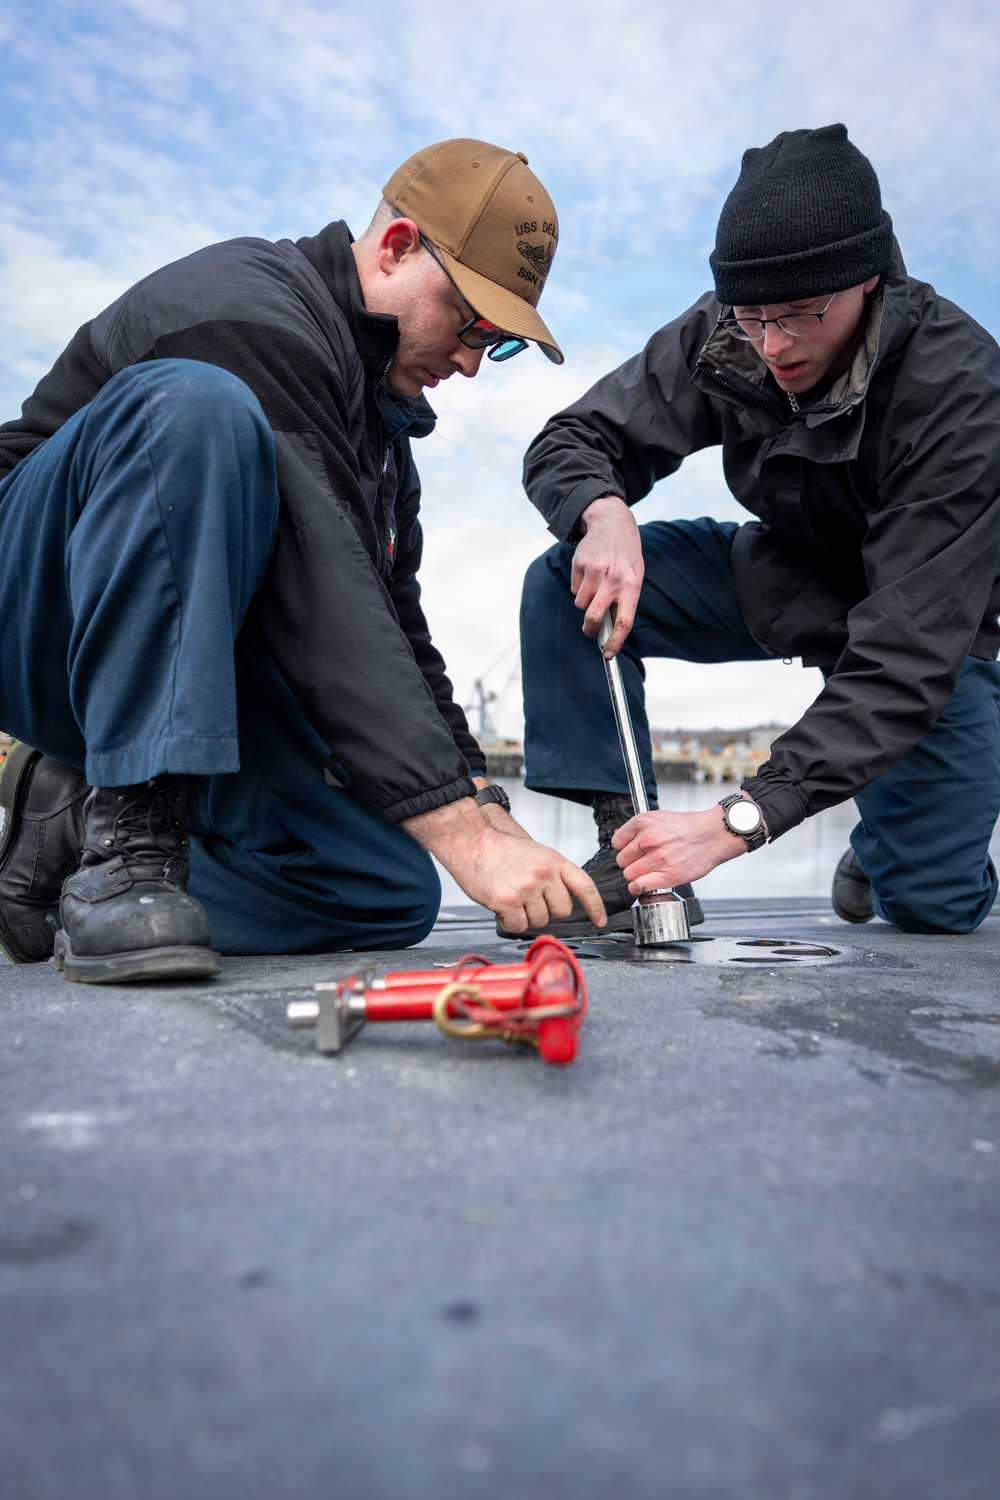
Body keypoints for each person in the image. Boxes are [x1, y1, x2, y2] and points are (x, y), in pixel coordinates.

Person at [0, 137, 605, 983]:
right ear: (396, 247)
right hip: (36, 610)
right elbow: (330, 605)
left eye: (497, 342)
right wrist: (460, 836)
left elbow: (395, 630)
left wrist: (480, 801)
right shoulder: (250, 308)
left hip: (187, 654)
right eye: (471, 323)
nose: (472, 361)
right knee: (199, 408)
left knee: (383, 886)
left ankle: (64, 840)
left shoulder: (385, 444)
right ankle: (126, 845)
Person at [514, 123, 1000, 939]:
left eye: (802, 316)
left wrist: (739, 820)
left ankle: (888, 841)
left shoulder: (961, 396)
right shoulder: (727, 331)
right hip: (785, 576)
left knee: (931, 906)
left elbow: (903, 655)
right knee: (561, 577)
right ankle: (629, 853)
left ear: (870, 280)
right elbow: (572, 439)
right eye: (752, 315)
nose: (772, 344)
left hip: (924, 632)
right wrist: (602, 510)